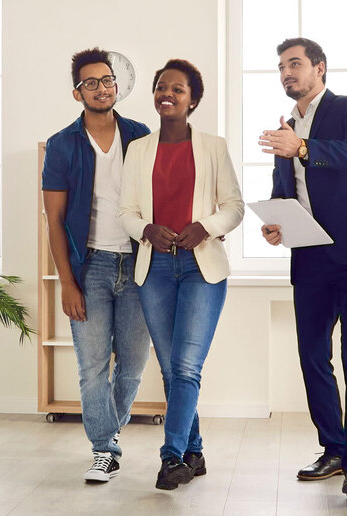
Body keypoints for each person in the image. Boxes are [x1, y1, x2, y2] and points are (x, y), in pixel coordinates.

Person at [258, 38, 347, 499]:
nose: (286, 73)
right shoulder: (286, 129)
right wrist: (276, 223)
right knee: (313, 357)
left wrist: (301, 147)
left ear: (320, 68)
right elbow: (287, 190)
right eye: (281, 67)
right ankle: (333, 449)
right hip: (310, 256)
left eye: (295, 64)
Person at [119, 59, 244, 490]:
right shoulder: (138, 149)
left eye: (178, 88)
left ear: (193, 100)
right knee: (172, 370)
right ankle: (193, 450)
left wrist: (205, 227)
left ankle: (171, 458)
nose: (166, 93)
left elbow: (234, 206)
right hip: (154, 268)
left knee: (187, 365)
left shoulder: (213, 146)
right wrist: (146, 230)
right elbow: (126, 213)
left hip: (201, 268)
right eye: (160, 87)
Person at [41, 48, 152, 483]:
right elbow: (53, 220)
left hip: (140, 265)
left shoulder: (141, 135)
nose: (102, 88)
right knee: (90, 367)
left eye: (107, 81)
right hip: (91, 268)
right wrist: (67, 282)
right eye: (91, 83)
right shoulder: (62, 144)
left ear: (116, 86)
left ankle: (110, 431)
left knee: (133, 363)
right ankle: (104, 448)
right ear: (77, 92)